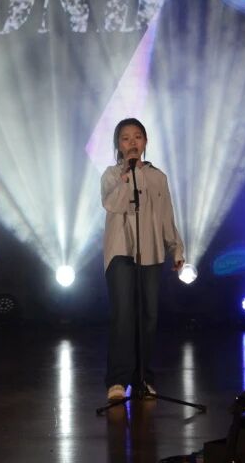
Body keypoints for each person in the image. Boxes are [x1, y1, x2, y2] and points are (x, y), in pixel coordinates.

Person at [101, 117, 186, 402]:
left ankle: (142, 378)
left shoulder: (158, 177)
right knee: (123, 315)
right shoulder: (112, 175)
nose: (132, 142)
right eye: (125, 138)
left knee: (148, 317)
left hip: (151, 252)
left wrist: (176, 248)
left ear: (146, 141)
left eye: (137, 137)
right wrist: (127, 176)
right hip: (120, 252)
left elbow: (166, 216)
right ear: (118, 144)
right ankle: (117, 379)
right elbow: (112, 204)